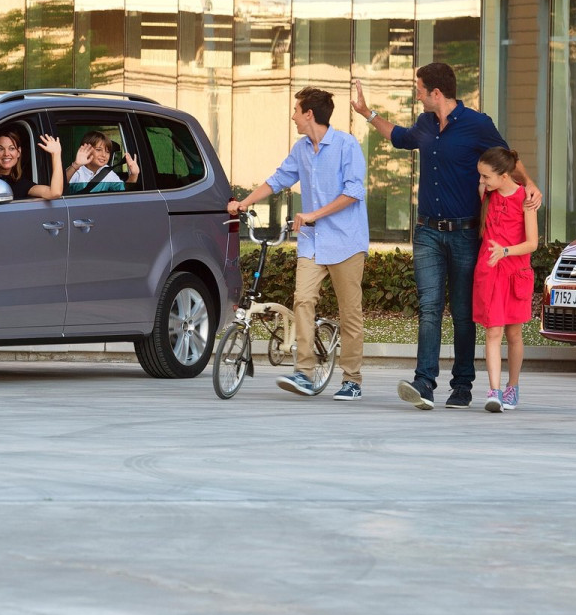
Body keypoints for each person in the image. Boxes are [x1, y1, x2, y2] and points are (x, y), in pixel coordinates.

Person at [352, 62, 541, 411]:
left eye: (419, 89)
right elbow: (398, 137)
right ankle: (424, 383)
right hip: (427, 232)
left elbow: (506, 160)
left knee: (463, 311)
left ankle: (463, 386)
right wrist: (367, 113)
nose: (417, 94)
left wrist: (530, 186)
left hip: (466, 233)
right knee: (429, 308)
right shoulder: (424, 124)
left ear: (436, 92)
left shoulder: (478, 124)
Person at [227, 86, 369, 399]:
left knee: (350, 312)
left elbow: (353, 193)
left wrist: (314, 213)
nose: (293, 117)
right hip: (312, 242)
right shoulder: (301, 148)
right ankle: (304, 373)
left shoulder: (347, 145)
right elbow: (279, 179)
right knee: (303, 300)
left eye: (296, 111)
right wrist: (244, 202)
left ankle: (352, 380)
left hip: (346, 240)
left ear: (309, 114)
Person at [473, 147, 538, 413]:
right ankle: (494, 391)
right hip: (489, 272)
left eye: (486, 177)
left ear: (503, 175)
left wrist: (506, 251)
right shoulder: (486, 194)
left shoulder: (526, 198)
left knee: (513, 333)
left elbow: (533, 243)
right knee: (493, 331)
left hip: (515, 272)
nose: (481, 182)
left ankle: (512, 386)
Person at [0, 129, 64, 200]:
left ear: (18, 152)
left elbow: (54, 192)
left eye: (12, 148)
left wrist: (56, 154)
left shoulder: (22, 184)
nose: (6, 153)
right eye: (0, 149)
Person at [64, 131, 139, 193]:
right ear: (85, 149)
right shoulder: (77, 170)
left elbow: (124, 191)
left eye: (107, 151)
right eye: (98, 150)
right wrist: (75, 166)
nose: (104, 155)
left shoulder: (107, 171)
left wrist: (134, 174)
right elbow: (58, 186)